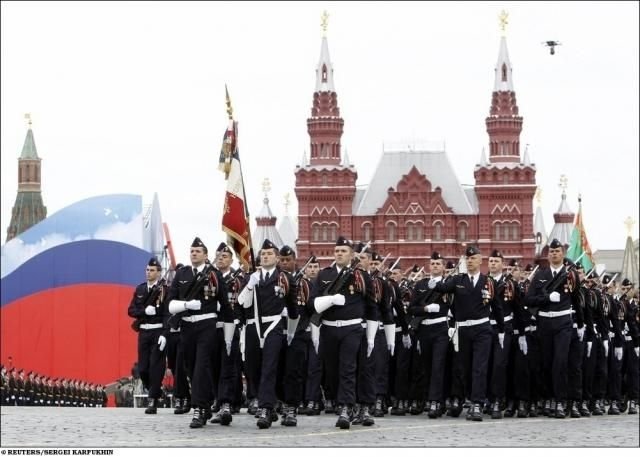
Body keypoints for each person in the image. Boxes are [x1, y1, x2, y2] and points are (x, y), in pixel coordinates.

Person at [308, 236, 377, 429]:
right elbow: (311, 304)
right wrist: (330, 300)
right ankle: (349, 403)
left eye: (344, 251)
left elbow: (372, 307)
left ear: (352, 255)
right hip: (329, 329)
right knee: (333, 371)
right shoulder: (324, 275)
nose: (339, 253)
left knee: (348, 368)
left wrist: (370, 336)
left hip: (352, 329)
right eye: (337, 250)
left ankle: (345, 408)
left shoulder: (361, 276)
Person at [428, 245, 503, 421]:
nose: (470, 261)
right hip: (463, 330)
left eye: (473, 258)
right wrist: (434, 284)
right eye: (467, 258)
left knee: (480, 367)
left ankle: (477, 403)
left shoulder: (488, 282)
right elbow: (444, 287)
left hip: (482, 329)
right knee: (464, 368)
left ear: (480, 260)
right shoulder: (458, 280)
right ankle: (466, 398)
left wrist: (501, 330)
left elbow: (497, 307)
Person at [167, 237, 232, 428]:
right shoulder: (182, 273)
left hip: (207, 325)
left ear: (205, 255)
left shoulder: (214, 275)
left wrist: (228, 335)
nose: (194, 253)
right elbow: (170, 304)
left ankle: (197, 408)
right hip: (187, 326)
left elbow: (226, 306)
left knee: (202, 365)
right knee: (191, 367)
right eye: (192, 251)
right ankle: (204, 404)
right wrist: (186, 305)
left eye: (198, 251)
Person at [237, 239, 299, 429]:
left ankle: (265, 408)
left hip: (274, 325)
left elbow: (293, 308)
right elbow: (242, 303)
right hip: (254, 327)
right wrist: (249, 285)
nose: (265, 257)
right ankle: (270, 402)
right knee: (252, 369)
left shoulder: (284, 278)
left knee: (270, 367)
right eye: (263, 254)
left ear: (277, 258)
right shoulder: (252, 278)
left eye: (269, 254)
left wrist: (290, 331)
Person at [525, 238, 580, 419]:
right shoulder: (541, 274)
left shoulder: (570, 274)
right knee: (546, 362)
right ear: (548, 256)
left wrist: (580, 324)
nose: (554, 254)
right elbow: (529, 300)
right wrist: (547, 299)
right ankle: (548, 397)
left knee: (560, 362)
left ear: (562, 254)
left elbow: (578, 301)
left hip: (563, 322)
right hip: (545, 323)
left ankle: (559, 401)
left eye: (557, 251)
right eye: (551, 252)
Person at [408, 252, 451, 418]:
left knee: (438, 365)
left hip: (441, 329)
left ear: (443, 267)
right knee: (425, 367)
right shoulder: (421, 285)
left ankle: (435, 401)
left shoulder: (448, 285)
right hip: (424, 330)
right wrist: (425, 309)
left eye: (438, 264)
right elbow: (412, 309)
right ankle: (426, 399)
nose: (435, 266)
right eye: (432, 263)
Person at [127, 257, 169, 414]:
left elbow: (167, 314)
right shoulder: (140, 290)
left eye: (152, 270)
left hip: (158, 330)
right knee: (143, 368)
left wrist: (165, 333)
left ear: (159, 272)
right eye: (147, 270)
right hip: (144, 331)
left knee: (156, 366)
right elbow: (131, 311)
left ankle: (153, 400)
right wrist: (144, 311)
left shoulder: (165, 290)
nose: (148, 273)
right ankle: (155, 390)